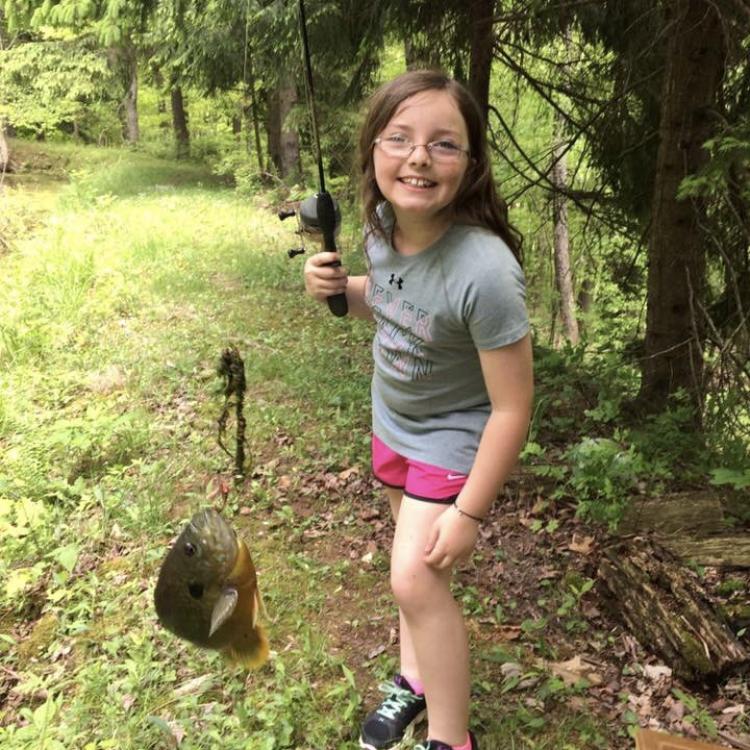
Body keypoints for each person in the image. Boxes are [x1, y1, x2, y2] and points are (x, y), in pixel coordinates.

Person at [303, 69, 533, 750]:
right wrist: (339, 286)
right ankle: (414, 678)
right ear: (374, 149)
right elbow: (396, 302)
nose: (418, 157)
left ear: (470, 164)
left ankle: (451, 739)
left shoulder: (485, 272)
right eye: (398, 138)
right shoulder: (379, 227)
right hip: (393, 426)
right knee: (413, 576)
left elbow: (513, 409)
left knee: (415, 577)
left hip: (454, 438)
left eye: (443, 144)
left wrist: (469, 513)